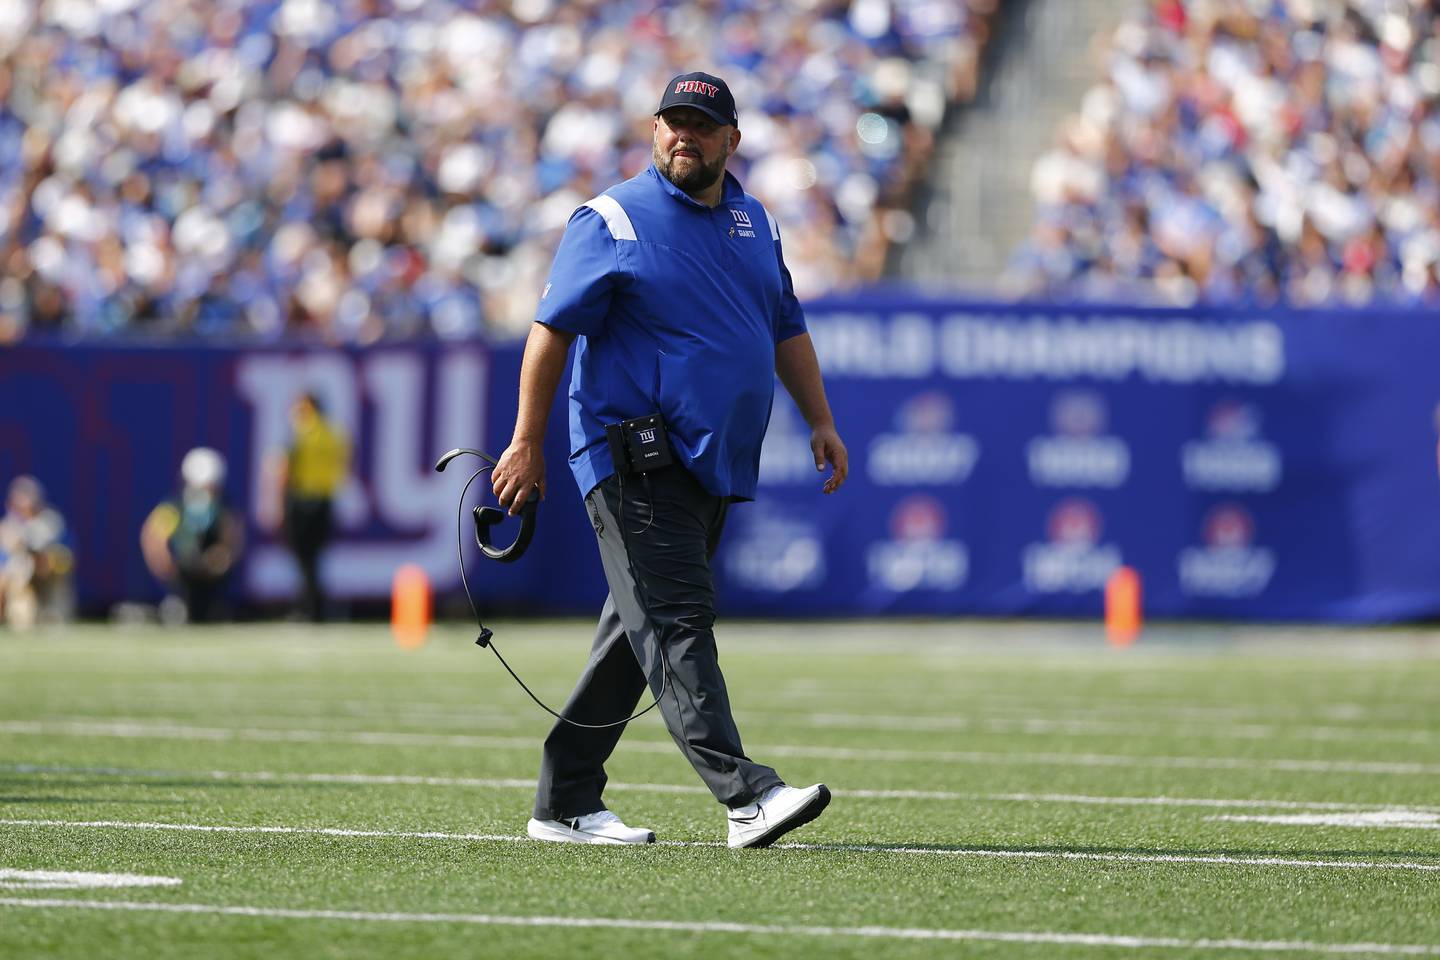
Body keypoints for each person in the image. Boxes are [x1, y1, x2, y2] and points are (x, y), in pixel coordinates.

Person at [490, 72, 849, 849]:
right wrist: (526, 439)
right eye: (672, 120)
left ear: (731, 140)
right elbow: (551, 330)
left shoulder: (756, 222)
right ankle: (747, 796)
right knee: (680, 619)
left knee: (638, 631)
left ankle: (565, 800)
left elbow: (785, 326)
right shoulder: (612, 218)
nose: (684, 134)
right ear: (654, 130)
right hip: (631, 454)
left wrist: (820, 418)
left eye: (701, 124)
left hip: (711, 458)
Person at [140, 447, 243, 624]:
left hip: (211, 576)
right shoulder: (175, 507)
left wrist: (221, 558)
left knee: (211, 612)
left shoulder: (222, 508)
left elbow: (232, 539)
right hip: (183, 572)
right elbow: (153, 538)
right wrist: (166, 565)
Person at [273, 393, 350, 622]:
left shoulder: (302, 432)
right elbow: (343, 465)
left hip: (302, 500)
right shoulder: (334, 433)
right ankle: (315, 606)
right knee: (314, 558)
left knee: (303, 558)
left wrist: (279, 504)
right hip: (325, 500)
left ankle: (308, 608)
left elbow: (285, 469)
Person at [0, 476, 74, 629]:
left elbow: (55, 554)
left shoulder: (49, 520)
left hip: (48, 576)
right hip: (18, 577)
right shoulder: (8, 524)